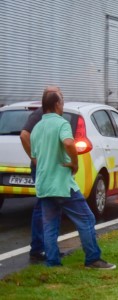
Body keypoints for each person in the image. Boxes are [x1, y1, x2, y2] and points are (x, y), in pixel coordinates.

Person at [30, 86, 115, 269]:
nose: (63, 104)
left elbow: (34, 156)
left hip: (44, 184)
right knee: (87, 219)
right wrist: (74, 162)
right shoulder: (61, 124)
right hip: (62, 184)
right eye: (62, 100)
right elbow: (69, 143)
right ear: (56, 104)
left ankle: (52, 262)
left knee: (50, 226)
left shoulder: (37, 128)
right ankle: (93, 259)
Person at [20, 87, 60, 263]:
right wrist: (35, 158)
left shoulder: (50, 117)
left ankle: (48, 248)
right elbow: (24, 135)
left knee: (48, 206)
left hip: (47, 167)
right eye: (59, 95)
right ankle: (38, 248)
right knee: (42, 207)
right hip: (43, 168)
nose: (61, 99)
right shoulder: (39, 115)